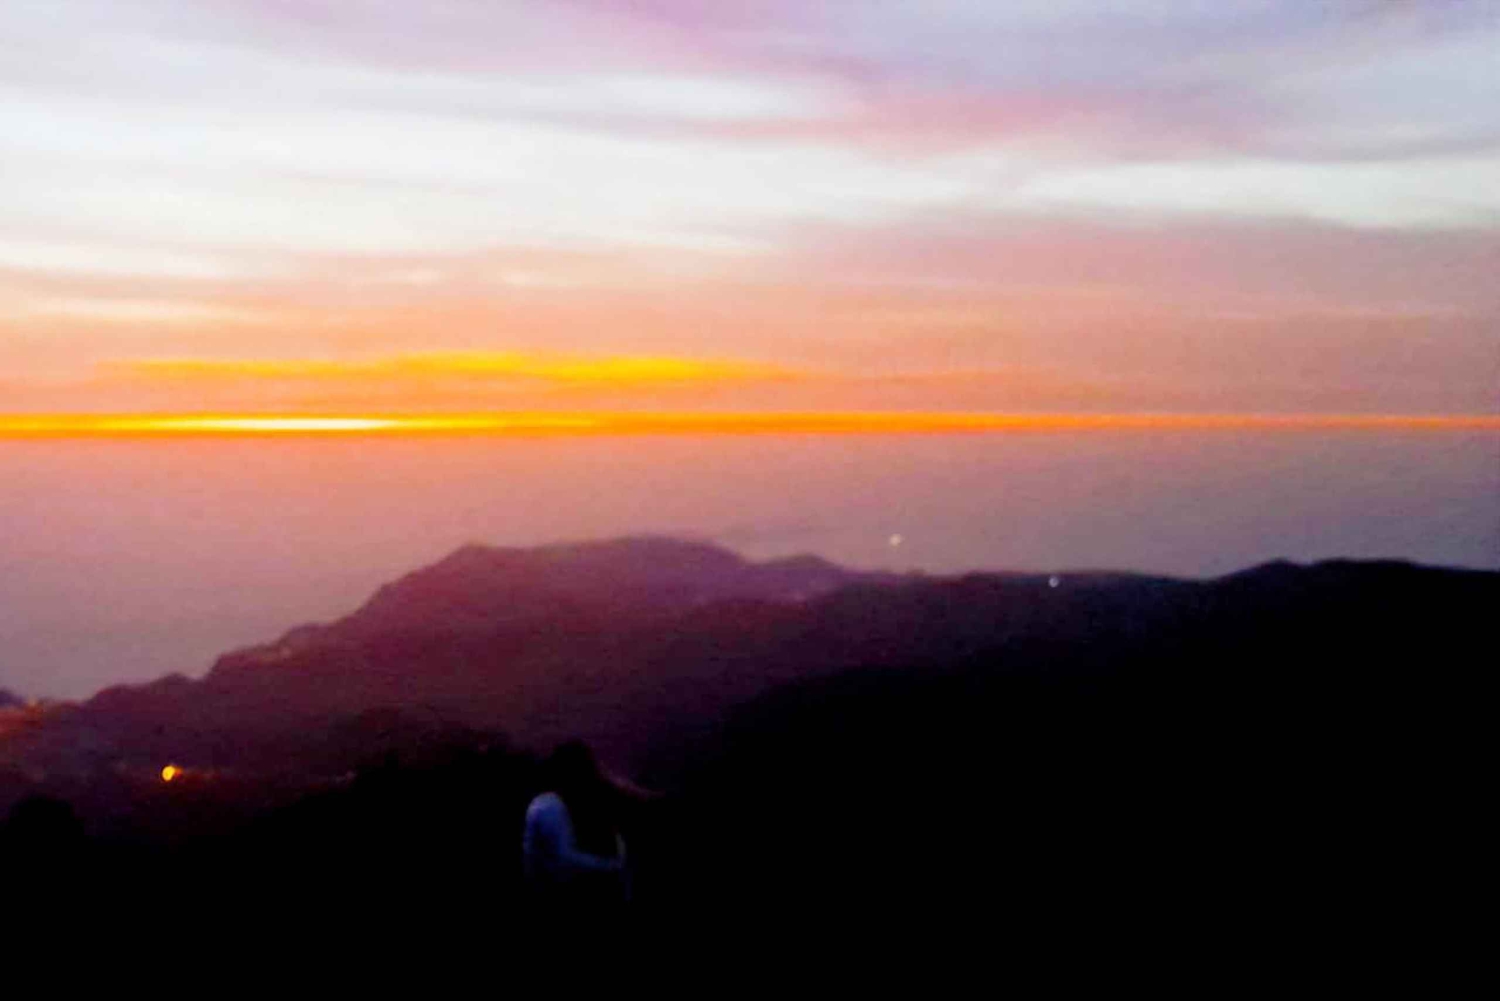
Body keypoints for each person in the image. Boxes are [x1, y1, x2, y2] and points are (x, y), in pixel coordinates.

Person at [522, 741, 653, 905]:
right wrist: (613, 866)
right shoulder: (548, 806)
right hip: (556, 893)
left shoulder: (555, 802)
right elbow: (565, 858)